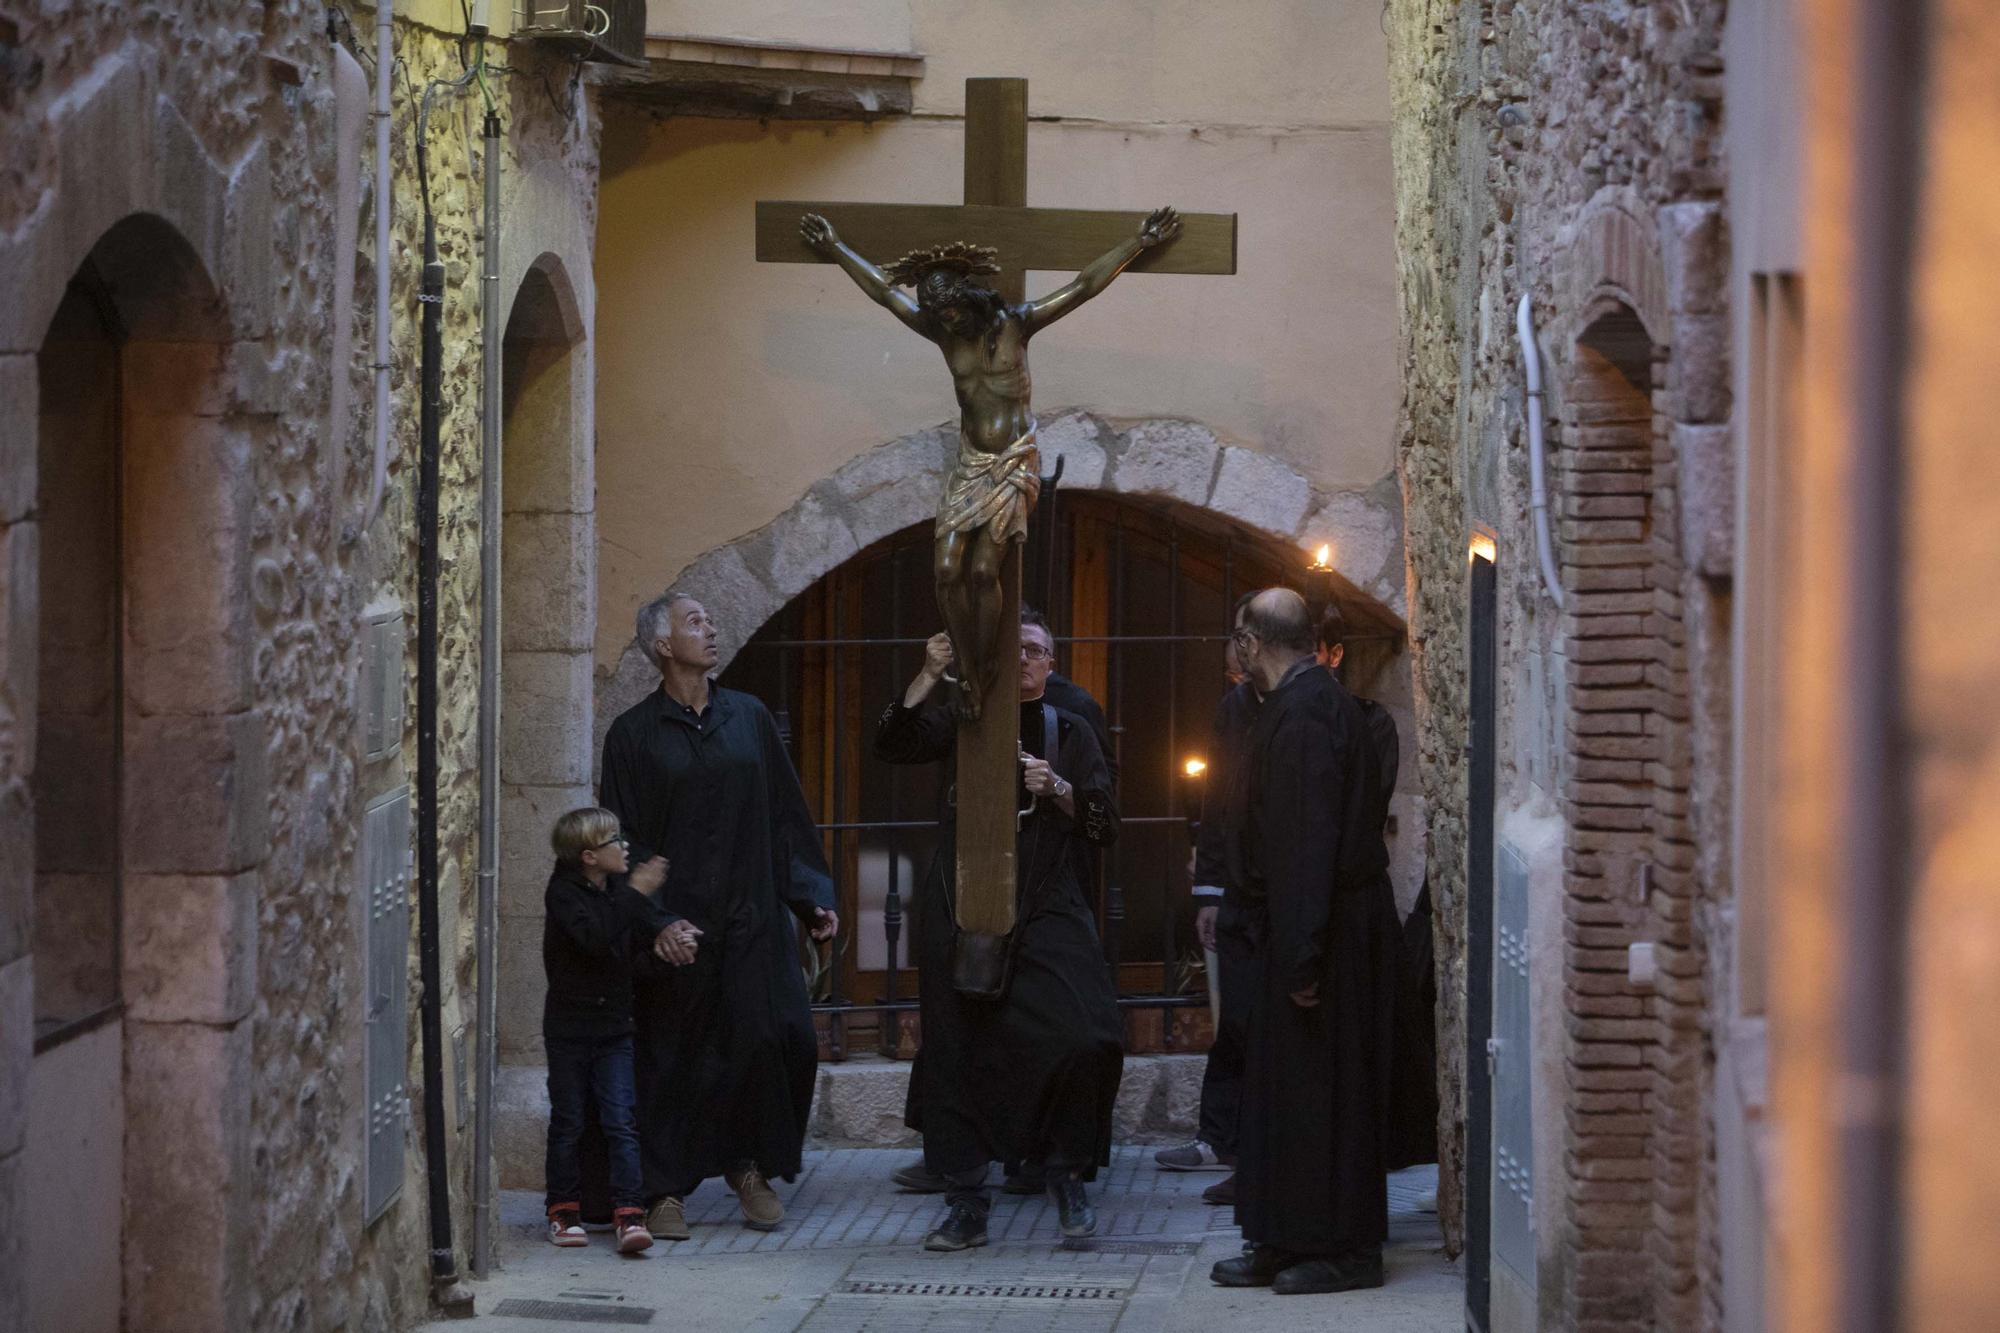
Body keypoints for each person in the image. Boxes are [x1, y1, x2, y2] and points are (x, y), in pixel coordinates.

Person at [801, 206, 1181, 717]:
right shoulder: (942, 335)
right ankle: (967, 662)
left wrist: (1139, 243)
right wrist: (835, 248)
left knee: (983, 572)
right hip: (970, 463)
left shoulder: (1015, 326)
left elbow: (1083, 286)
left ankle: (982, 668)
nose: (947, 318)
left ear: (967, 294)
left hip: (1012, 462)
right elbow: (886, 294)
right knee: (944, 568)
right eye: (937, 312)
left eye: (952, 308)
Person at [876, 613, 1123, 1250]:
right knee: (959, 1050)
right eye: (1010, 647)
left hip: (1046, 902)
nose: (1022, 659)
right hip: (963, 901)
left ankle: (1064, 1173)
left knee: (1084, 1035)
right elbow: (894, 744)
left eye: (1034, 650)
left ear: (1050, 662)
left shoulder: (1069, 725)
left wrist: (1060, 787)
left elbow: (1104, 825)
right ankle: (966, 1200)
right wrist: (929, 674)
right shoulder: (964, 715)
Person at [599, 592, 839, 1241]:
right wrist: (657, 924)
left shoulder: (749, 717)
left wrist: (811, 896)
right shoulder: (633, 735)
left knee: (773, 1038)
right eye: (695, 621)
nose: (711, 628)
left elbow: (785, 813)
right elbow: (624, 843)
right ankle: (664, 1190)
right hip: (680, 926)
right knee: (673, 1053)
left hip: (751, 915)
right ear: (661, 645)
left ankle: (748, 1167)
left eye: (710, 617)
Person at [1210, 588, 1399, 1297]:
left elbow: (1307, 846)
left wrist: (1302, 956)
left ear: (1254, 643)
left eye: (1236, 639)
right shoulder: (1295, 706)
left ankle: (1346, 1251)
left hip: (1325, 938)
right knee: (1285, 1097)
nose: (1234, 651)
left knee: (1329, 1096)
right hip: (1298, 931)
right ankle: (1282, 1236)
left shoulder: (1309, 714)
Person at [540, 806, 694, 1256]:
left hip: (614, 1029)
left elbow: (623, 963)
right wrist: (640, 893)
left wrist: (666, 955)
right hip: (570, 1030)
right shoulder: (564, 895)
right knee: (568, 1122)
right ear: (589, 856)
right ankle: (562, 1210)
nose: (624, 847)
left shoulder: (613, 893)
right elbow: (595, 940)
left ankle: (629, 1211)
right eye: (614, 842)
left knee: (621, 1120)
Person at [1155, 596, 1259, 1206]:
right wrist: (1210, 891)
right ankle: (1220, 1140)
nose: (1237, 683)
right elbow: (1217, 805)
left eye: (1241, 670)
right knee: (1235, 1026)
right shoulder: (1237, 712)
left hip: (1271, 903)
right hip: (1240, 897)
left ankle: (1246, 1152)